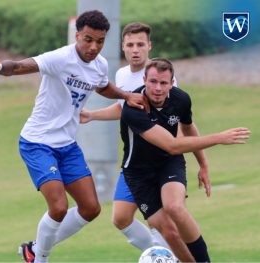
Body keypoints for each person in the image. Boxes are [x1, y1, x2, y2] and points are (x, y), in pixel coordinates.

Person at [0, 10, 146, 263]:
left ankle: (33, 248)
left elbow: (102, 85)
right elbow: (20, 66)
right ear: (77, 35)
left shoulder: (99, 64)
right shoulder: (60, 58)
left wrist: (125, 95)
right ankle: (39, 258)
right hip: (37, 143)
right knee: (58, 208)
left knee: (91, 208)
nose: (93, 46)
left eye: (100, 41)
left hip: (67, 145)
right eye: (88, 39)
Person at [80, 22, 206, 261]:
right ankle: (163, 253)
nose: (135, 50)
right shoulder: (121, 74)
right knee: (120, 217)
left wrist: (195, 160)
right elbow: (124, 110)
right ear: (123, 47)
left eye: (140, 44)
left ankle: (171, 255)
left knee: (166, 220)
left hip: (161, 159)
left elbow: (178, 122)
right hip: (135, 161)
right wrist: (92, 115)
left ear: (150, 46)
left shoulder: (159, 79)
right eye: (130, 45)